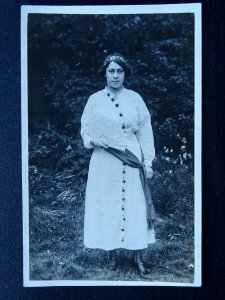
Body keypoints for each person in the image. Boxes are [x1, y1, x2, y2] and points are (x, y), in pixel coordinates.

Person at [80, 53, 156, 275]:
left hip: (131, 158)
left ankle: (138, 257)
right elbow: (85, 129)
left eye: (119, 71)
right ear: (104, 74)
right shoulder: (94, 100)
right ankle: (112, 254)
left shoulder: (135, 99)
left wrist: (148, 162)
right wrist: (94, 140)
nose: (115, 75)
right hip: (105, 160)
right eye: (111, 71)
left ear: (125, 74)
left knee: (136, 205)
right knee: (109, 204)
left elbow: (145, 132)